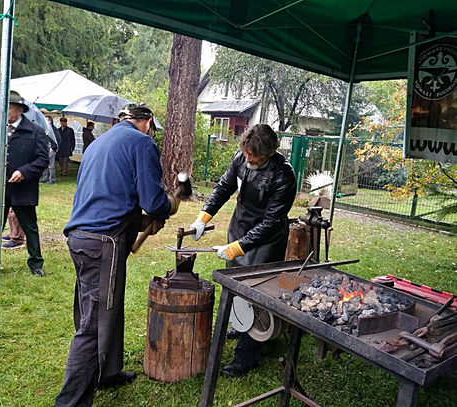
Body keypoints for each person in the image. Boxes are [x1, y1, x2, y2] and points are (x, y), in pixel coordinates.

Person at [55, 103, 178, 407]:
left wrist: (139, 222)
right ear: (147, 122)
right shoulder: (142, 142)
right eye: (151, 127)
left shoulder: (100, 143)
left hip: (81, 238)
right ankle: (68, 403)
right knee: (94, 323)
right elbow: (153, 200)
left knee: (107, 307)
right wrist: (168, 205)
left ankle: (107, 373)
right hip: (103, 242)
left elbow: (110, 194)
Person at [190, 124, 297, 377]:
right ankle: (240, 326)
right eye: (246, 153)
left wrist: (238, 247)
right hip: (239, 226)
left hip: (267, 240)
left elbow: (271, 223)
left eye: (254, 156)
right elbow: (223, 188)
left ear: (270, 153)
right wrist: (202, 219)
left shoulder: (284, 176)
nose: (248, 159)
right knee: (235, 286)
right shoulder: (241, 157)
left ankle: (247, 355)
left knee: (256, 294)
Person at [0, 90, 49, 277]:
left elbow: (42, 160)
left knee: (29, 227)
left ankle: (35, 264)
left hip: (23, 189)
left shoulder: (36, 132)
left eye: (7, 107)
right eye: (1, 107)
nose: (3, 111)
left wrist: (24, 172)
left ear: (19, 109)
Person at [40, 116, 61, 185]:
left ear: (51, 121)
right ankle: (44, 178)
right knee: (44, 164)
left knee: (51, 166)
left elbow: (58, 140)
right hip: (45, 149)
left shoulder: (54, 130)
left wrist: (53, 147)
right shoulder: (45, 129)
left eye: (48, 120)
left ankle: (52, 179)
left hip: (51, 149)